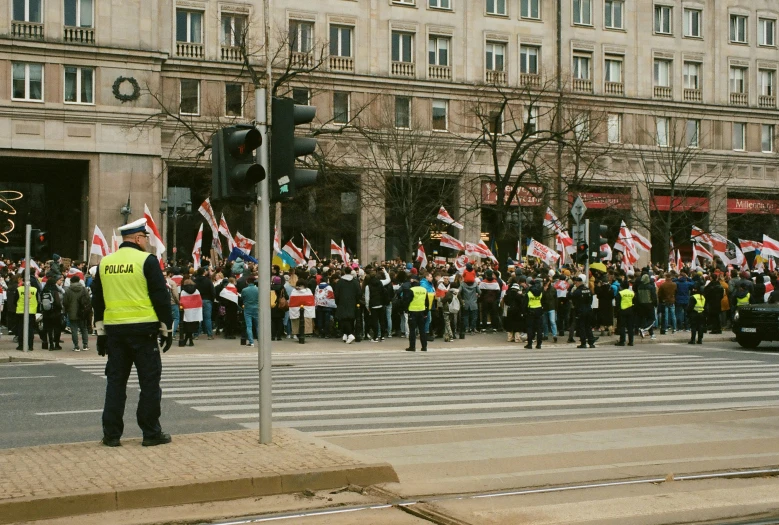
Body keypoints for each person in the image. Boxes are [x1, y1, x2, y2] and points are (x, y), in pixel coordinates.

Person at [91, 218, 174, 448]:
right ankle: (150, 433)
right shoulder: (146, 260)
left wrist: (100, 333)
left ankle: (111, 435)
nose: (147, 242)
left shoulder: (105, 263)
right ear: (138, 238)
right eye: (145, 238)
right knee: (149, 384)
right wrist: (167, 328)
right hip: (143, 332)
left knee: (115, 384)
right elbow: (160, 296)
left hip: (115, 333)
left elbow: (97, 300)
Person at [333, 266, 361, 344]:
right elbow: (359, 293)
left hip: (342, 302)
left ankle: (349, 334)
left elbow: (336, 293)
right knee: (350, 319)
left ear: (344, 272)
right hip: (352, 302)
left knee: (344, 319)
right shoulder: (355, 282)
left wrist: (337, 302)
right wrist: (357, 301)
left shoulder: (340, 282)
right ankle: (346, 334)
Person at [63, 275, 90, 351]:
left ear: (71, 281)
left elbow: (65, 302)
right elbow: (88, 300)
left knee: (74, 329)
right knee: (84, 329)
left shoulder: (68, 290)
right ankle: (85, 345)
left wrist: (67, 310)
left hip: (72, 312)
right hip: (82, 312)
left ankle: (76, 346)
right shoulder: (84, 289)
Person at [570, 274, 596, 349]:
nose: (575, 284)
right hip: (588, 309)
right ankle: (591, 343)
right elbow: (591, 300)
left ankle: (583, 343)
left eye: (576, 283)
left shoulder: (577, 291)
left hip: (581, 310)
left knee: (581, 327)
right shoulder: (588, 290)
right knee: (588, 326)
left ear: (578, 283)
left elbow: (571, 297)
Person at [405, 273, 430, 352]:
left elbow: (407, 301)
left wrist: (406, 310)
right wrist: (426, 313)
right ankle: (424, 347)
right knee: (422, 330)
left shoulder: (411, 290)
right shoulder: (424, 290)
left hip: (412, 312)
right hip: (422, 312)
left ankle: (412, 347)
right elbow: (427, 302)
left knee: (412, 330)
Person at [40, 274, 64, 350]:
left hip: (46, 313)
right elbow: (57, 302)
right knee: (57, 329)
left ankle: (50, 344)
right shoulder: (54, 291)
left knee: (48, 329)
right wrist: (60, 308)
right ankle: (56, 344)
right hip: (55, 313)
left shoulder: (44, 290)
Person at [15, 278, 38, 351]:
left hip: (21, 312)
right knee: (30, 329)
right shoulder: (34, 290)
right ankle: (30, 346)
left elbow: (14, 300)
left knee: (21, 329)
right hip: (31, 312)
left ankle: (21, 345)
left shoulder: (19, 289)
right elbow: (37, 300)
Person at [240, 275, 259, 347]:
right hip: (257, 308)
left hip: (247, 308)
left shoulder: (244, 290)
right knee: (258, 326)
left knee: (249, 326)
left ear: (247, 282)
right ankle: (260, 340)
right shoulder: (258, 289)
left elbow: (242, 299)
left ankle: (251, 342)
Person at [615, 281, 635, 346]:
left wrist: (617, 311)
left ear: (622, 286)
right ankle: (631, 341)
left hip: (622, 310)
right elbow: (634, 301)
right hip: (630, 310)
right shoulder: (632, 293)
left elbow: (617, 303)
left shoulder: (620, 293)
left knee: (622, 326)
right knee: (630, 327)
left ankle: (622, 341)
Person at [525, 279, 544, 349]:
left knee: (530, 328)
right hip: (539, 310)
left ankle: (529, 344)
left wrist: (524, 312)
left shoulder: (529, 293)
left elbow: (525, 303)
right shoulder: (540, 292)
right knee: (539, 328)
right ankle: (539, 344)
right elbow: (542, 301)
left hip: (531, 310)